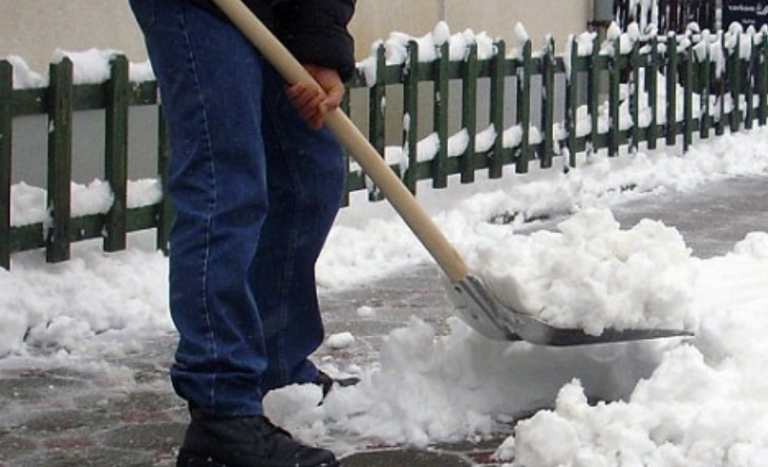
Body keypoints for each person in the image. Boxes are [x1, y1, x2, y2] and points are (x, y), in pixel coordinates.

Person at [127, 0, 356, 466]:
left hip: (274, 9)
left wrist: (317, 43)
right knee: (225, 182)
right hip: (197, 7)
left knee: (309, 175)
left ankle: (278, 370)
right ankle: (221, 407)